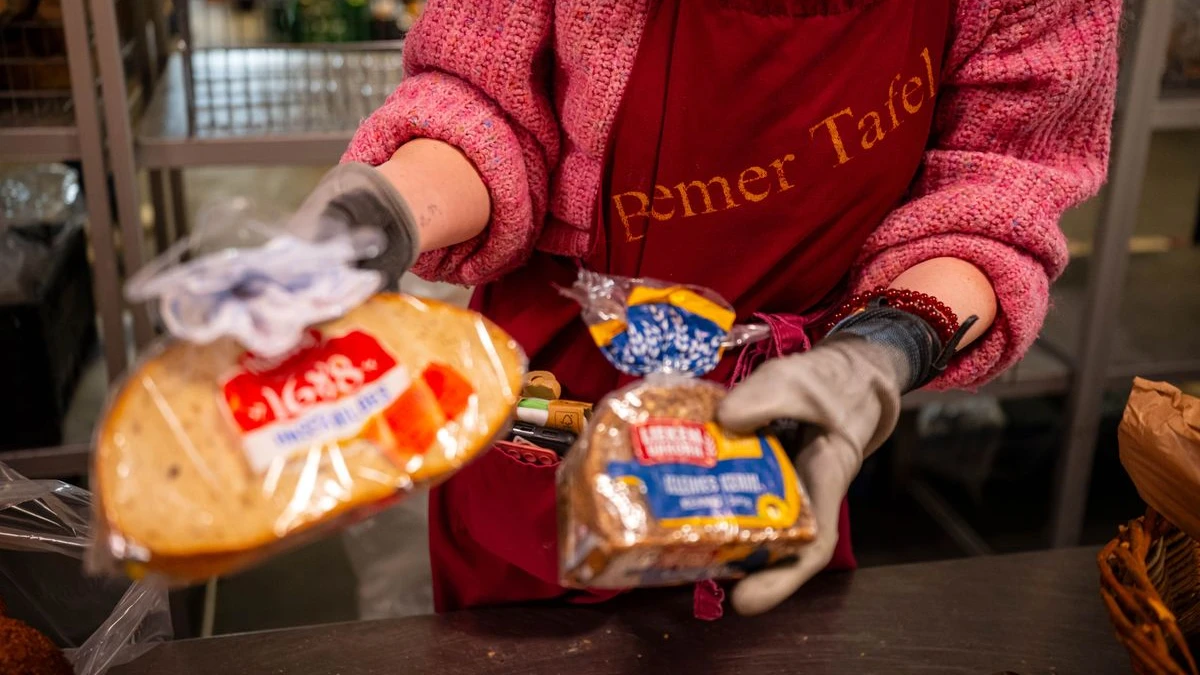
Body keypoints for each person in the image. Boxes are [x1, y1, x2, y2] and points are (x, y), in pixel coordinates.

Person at [298, 0, 1121, 617]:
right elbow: (489, 103)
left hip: (785, 415)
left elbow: (995, 191)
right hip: (550, 396)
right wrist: (386, 211)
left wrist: (878, 352)